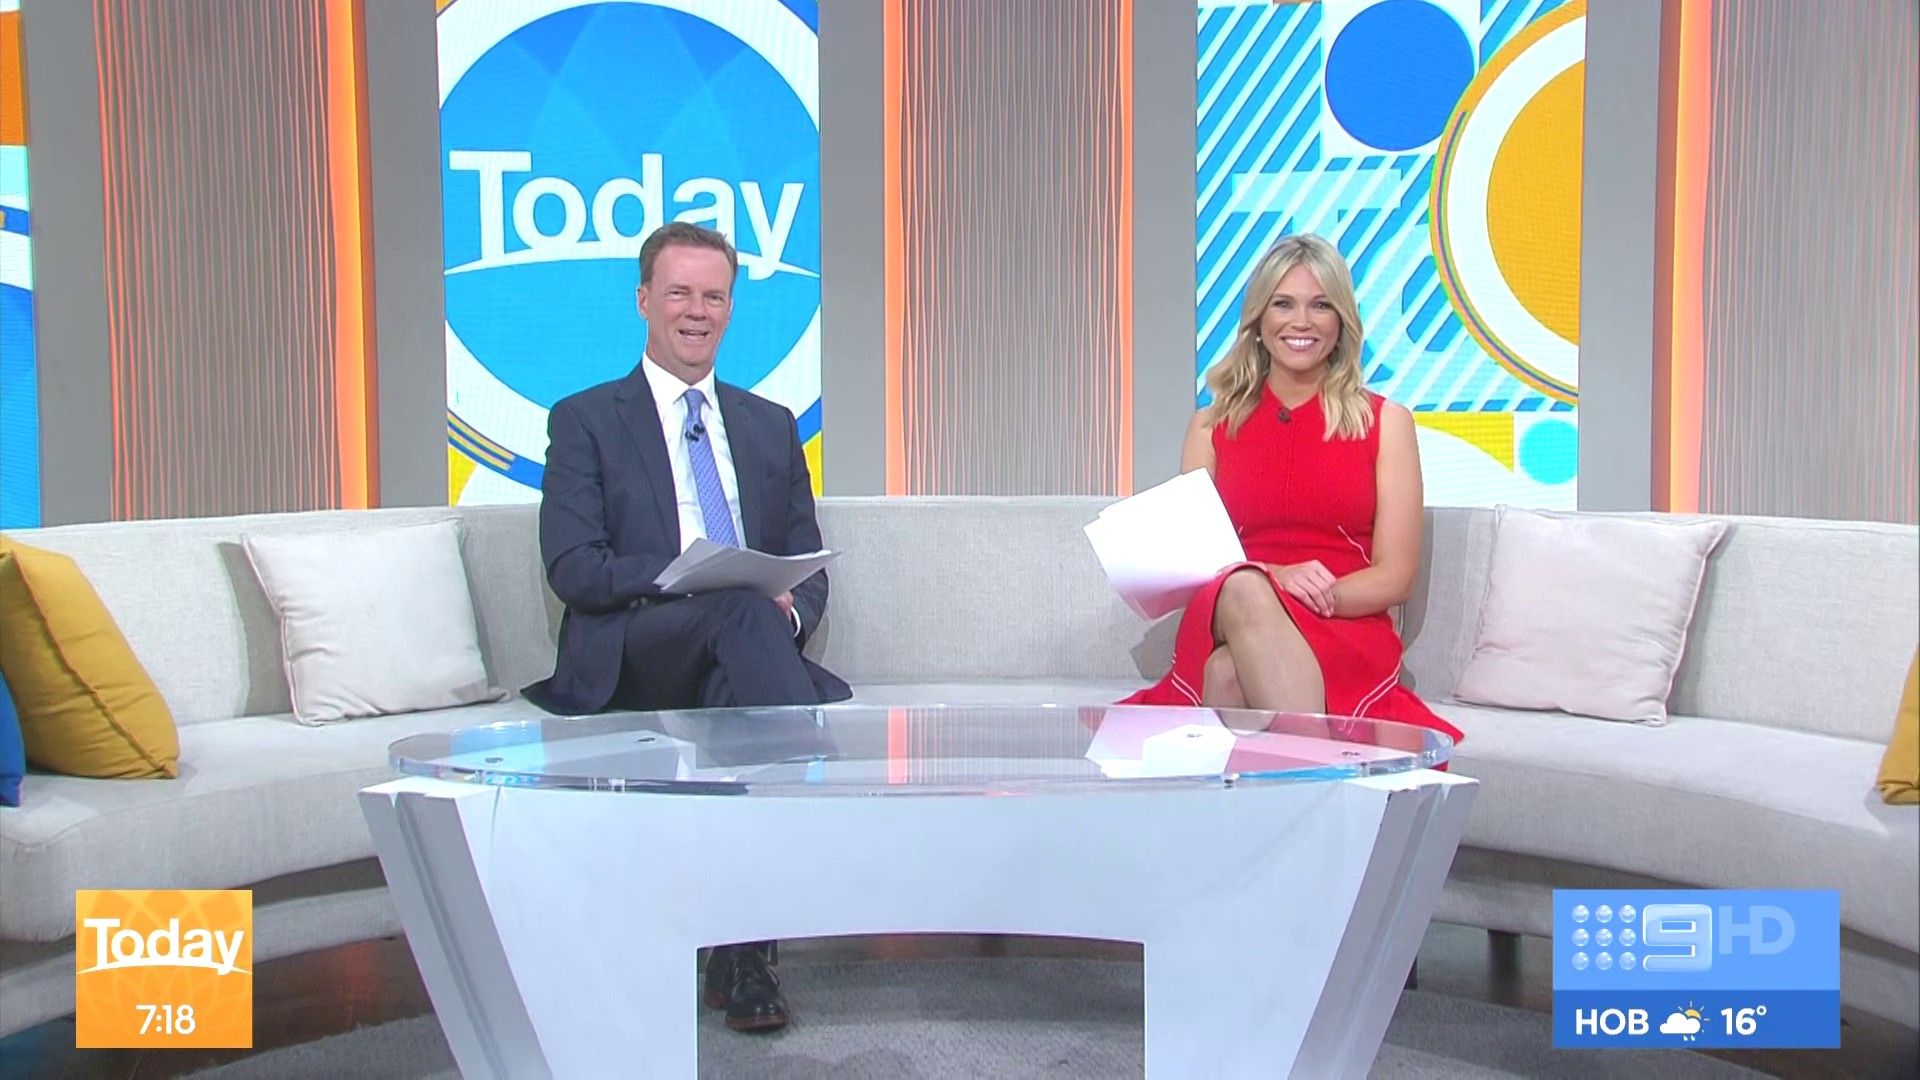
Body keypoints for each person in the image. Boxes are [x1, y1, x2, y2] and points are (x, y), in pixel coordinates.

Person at [524, 221, 849, 1033]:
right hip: (635, 645)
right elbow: (575, 568)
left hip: (742, 650)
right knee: (738, 612)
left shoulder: (770, 423)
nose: (696, 312)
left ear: (731, 309)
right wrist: (687, 575)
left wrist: (790, 607)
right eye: (679, 294)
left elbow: (807, 564)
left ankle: (740, 955)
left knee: (739, 662)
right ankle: (812, 838)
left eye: (714, 296)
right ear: (644, 300)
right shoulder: (586, 419)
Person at [1124, 234, 1464, 749]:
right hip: (1231, 605)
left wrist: (1304, 599)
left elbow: (1395, 576)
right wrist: (1274, 579)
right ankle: (1322, 769)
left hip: (1340, 620)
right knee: (1243, 588)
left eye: (1320, 305)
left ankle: (1277, 784)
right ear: (1259, 321)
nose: (1301, 322)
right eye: (1283, 304)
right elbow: (1198, 565)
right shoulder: (1209, 427)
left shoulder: (1386, 423)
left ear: (1341, 322)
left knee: (1226, 674)